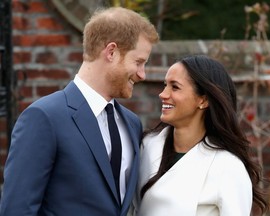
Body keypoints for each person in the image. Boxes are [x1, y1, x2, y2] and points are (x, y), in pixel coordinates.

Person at [0, 7, 159, 216]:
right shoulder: (44, 117)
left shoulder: (131, 123)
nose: (142, 74)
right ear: (111, 52)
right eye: (138, 62)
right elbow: (17, 210)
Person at [133, 55, 269, 215]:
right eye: (165, 85)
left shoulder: (228, 167)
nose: (163, 94)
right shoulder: (147, 146)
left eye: (175, 87)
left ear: (203, 100)